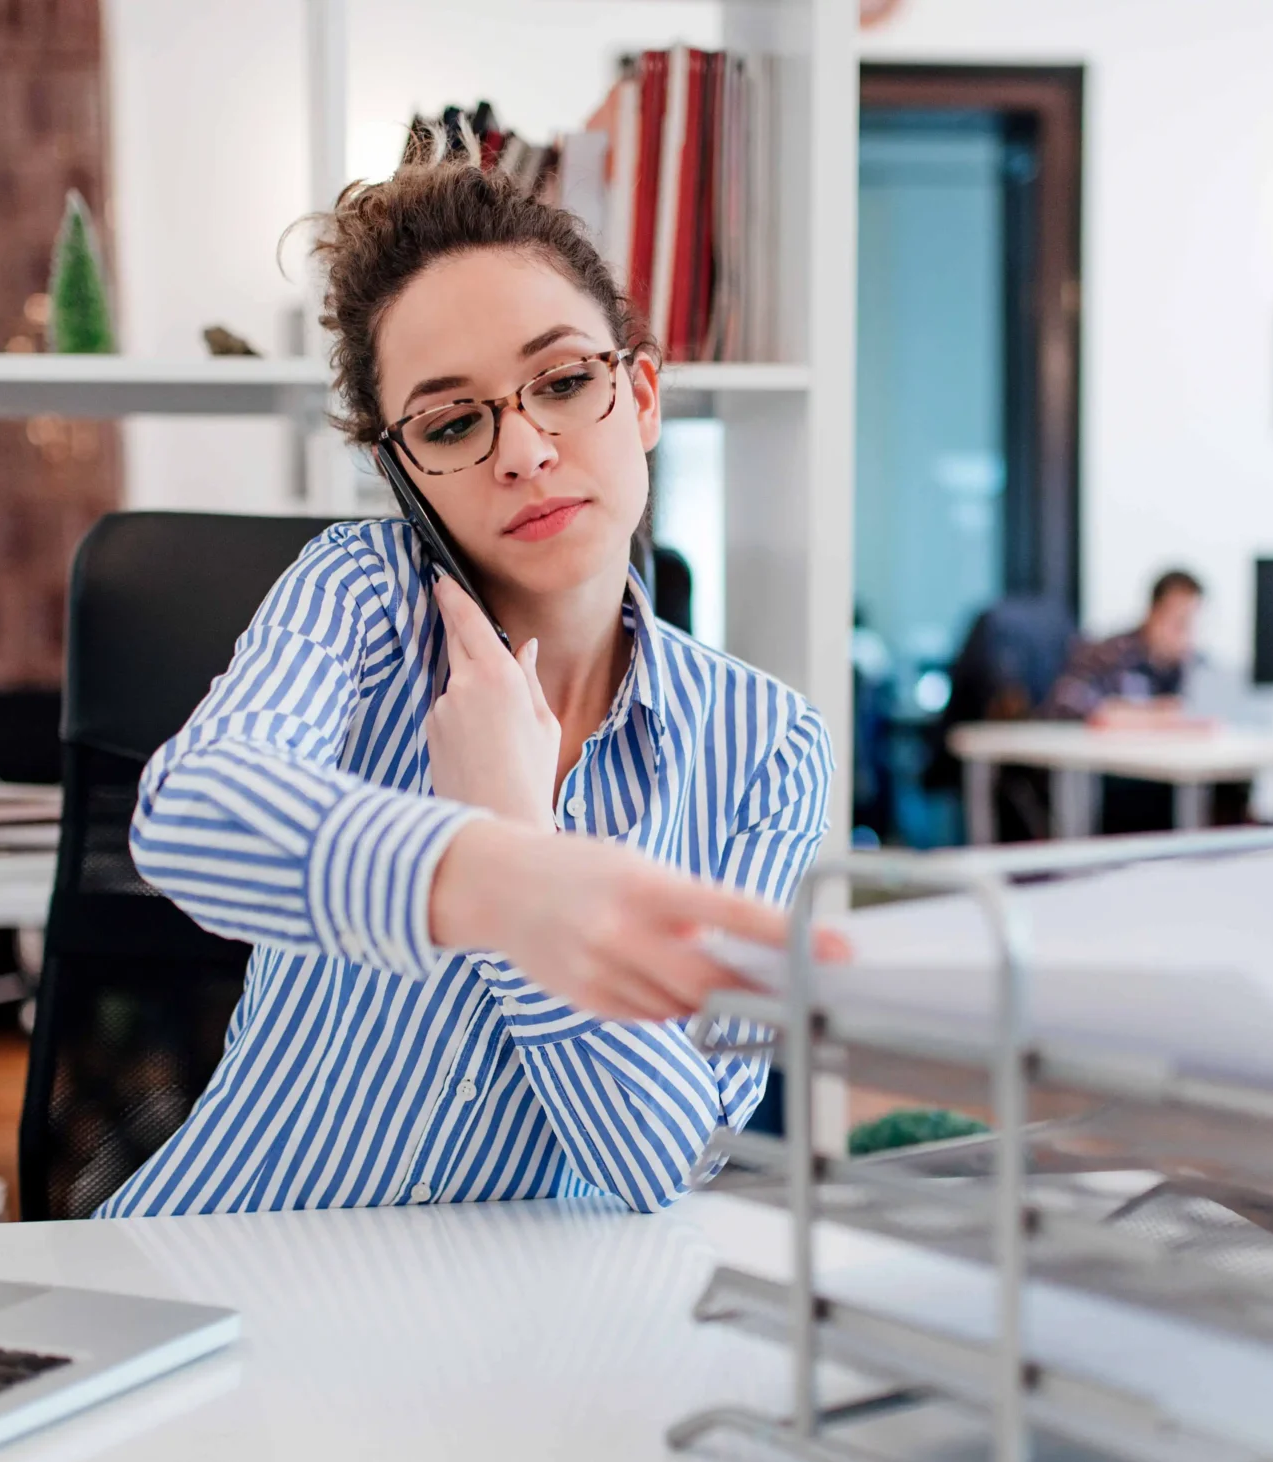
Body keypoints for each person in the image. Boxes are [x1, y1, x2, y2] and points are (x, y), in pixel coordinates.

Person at [94, 143, 833, 1219]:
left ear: (639, 395)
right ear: (401, 470)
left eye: (566, 381)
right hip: (228, 1261)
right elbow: (191, 814)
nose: (525, 450)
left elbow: (669, 1156)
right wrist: (496, 876)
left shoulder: (768, 746)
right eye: (451, 421)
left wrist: (519, 827)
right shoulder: (361, 594)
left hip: (509, 1326)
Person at [1042, 567, 1205, 723]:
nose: (1187, 636)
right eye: (1180, 623)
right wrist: (1146, 716)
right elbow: (1064, 702)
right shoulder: (1110, 654)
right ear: (1153, 613)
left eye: (1193, 625)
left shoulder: (1185, 667)